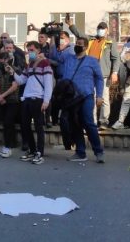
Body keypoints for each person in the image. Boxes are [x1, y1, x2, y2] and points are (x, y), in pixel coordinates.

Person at [50, 35, 106, 163]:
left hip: (86, 96)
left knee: (88, 122)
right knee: (75, 124)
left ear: (86, 47)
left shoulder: (92, 61)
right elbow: (55, 56)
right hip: (70, 98)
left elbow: (99, 78)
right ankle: (80, 152)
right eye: (77, 43)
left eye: (80, 44)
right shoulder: (68, 58)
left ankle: (98, 151)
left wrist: (100, 96)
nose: (77, 45)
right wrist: (53, 38)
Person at [67, 19, 120, 129]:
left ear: (107, 30)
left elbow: (116, 58)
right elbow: (79, 34)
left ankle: (104, 121)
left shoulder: (110, 42)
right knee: (92, 97)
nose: (100, 31)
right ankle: (92, 122)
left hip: (103, 74)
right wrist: (71, 25)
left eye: (103, 29)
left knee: (104, 98)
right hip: (90, 74)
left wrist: (114, 72)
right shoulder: (91, 39)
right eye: (99, 29)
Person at [9, 41, 53, 165]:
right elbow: (21, 80)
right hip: (27, 99)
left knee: (39, 127)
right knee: (25, 126)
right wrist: (12, 72)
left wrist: (46, 100)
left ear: (39, 50)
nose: (30, 52)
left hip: (38, 99)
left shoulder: (45, 63)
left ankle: (39, 152)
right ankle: (32, 150)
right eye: (28, 50)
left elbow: (48, 84)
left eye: (32, 49)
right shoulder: (29, 65)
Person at [0, 42, 21, 158]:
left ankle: (8, 147)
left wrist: (3, 96)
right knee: (6, 124)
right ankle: (7, 146)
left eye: (10, 48)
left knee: (9, 123)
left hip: (12, 99)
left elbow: (15, 85)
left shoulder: (17, 64)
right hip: (2, 99)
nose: (4, 61)